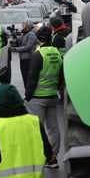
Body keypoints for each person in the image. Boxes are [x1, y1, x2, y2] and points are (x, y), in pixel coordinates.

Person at [24, 26, 63, 169]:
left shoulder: (38, 54)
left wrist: (27, 96)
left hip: (37, 98)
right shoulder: (57, 53)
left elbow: (32, 77)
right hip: (52, 96)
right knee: (53, 129)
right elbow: (61, 75)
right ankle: (53, 157)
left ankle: (37, 157)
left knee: (36, 129)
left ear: (39, 39)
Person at [14, 18, 38, 91]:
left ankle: (29, 92)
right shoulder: (24, 33)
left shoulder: (31, 34)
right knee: (24, 76)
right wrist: (15, 37)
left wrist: (17, 49)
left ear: (28, 25)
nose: (22, 25)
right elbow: (20, 41)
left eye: (24, 23)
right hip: (23, 58)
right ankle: (27, 91)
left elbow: (28, 46)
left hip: (28, 58)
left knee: (28, 77)